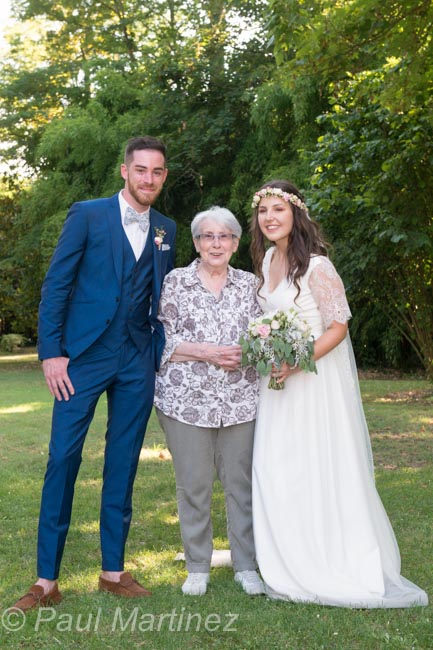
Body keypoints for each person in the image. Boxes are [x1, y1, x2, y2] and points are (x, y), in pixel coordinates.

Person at [13, 136, 176, 611]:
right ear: (124, 171)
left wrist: (157, 350)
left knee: (123, 462)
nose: (148, 178)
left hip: (137, 359)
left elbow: (161, 293)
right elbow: (57, 284)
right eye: (141, 169)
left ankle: (113, 571)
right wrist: (52, 353)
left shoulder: (166, 228)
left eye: (157, 171)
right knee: (63, 458)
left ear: (164, 176)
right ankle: (46, 581)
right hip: (82, 358)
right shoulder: (87, 214)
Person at [250, 180, 428, 608]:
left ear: (296, 213)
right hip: (276, 385)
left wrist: (298, 360)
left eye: (278, 209)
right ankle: (286, 557)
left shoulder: (318, 266)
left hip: (312, 382)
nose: (270, 217)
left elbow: (338, 326)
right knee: (274, 467)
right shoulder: (268, 259)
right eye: (263, 211)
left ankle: (325, 558)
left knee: (313, 464)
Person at [154, 206, 265, 597]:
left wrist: (248, 352)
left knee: (241, 486)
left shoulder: (251, 285)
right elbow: (160, 340)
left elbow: (265, 338)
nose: (216, 244)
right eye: (207, 236)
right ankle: (197, 566)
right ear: (196, 242)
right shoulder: (175, 282)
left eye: (224, 236)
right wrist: (207, 352)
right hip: (185, 401)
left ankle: (246, 565)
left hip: (241, 400)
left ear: (235, 243)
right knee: (194, 485)